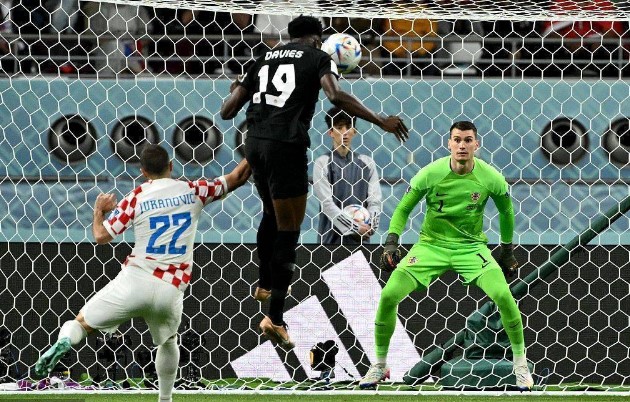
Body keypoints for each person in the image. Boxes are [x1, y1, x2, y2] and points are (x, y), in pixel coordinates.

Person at [220, 15, 408, 350]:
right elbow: (335, 96)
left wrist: (237, 89)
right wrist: (380, 120)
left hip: (254, 144)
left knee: (270, 213)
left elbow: (227, 111)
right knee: (290, 229)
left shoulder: (263, 57)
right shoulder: (318, 57)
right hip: (285, 146)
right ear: (318, 38)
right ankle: (274, 319)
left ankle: (264, 283)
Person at [34, 144, 251, 402]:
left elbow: (101, 236)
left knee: (82, 323)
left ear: (143, 172)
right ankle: (165, 399)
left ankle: (65, 342)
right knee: (168, 341)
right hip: (170, 287)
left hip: (135, 280)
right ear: (171, 166)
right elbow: (237, 177)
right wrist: (258, 148)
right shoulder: (194, 190)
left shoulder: (136, 197)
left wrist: (99, 211)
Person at [359, 121, 534, 391]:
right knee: (389, 295)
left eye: (468, 140)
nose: (462, 145)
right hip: (431, 247)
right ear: (449, 143)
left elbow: (506, 212)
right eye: (457, 140)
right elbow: (403, 208)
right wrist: (391, 242)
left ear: (476, 144)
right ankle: (380, 364)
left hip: (471, 248)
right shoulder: (431, 173)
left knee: (503, 295)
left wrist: (507, 251)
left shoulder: (491, 178)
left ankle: (520, 365)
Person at [313, 106, 382, 245]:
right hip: (330, 244)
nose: (344, 132)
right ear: (331, 132)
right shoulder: (322, 163)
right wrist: (355, 227)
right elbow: (327, 204)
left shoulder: (367, 164)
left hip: (361, 242)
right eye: (339, 127)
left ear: (354, 131)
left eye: (348, 127)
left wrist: (371, 226)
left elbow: (375, 202)